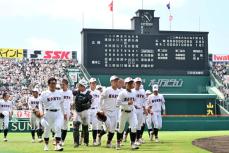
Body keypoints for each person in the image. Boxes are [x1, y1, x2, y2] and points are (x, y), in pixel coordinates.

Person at [38, 77, 67, 151]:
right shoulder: (44, 93)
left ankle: (57, 145)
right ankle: (46, 145)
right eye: (52, 83)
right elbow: (40, 103)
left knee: (58, 128)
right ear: (48, 84)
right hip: (48, 113)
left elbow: (62, 104)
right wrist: (41, 111)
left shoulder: (59, 93)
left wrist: (64, 113)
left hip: (58, 113)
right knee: (47, 130)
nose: (53, 85)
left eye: (54, 83)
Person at [116, 77, 139, 150]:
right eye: (129, 83)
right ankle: (118, 143)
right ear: (125, 84)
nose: (130, 84)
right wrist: (127, 103)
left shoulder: (134, 92)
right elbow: (117, 103)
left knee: (134, 126)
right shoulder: (122, 93)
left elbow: (134, 102)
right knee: (121, 129)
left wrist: (135, 106)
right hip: (123, 112)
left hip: (132, 112)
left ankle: (132, 143)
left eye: (131, 83)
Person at [98, 75, 120, 148]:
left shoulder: (119, 91)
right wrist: (101, 109)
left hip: (114, 112)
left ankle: (108, 142)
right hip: (106, 112)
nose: (116, 82)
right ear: (111, 82)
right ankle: (100, 135)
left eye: (117, 81)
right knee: (108, 127)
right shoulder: (107, 90)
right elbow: (100, 99)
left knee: (112, 129)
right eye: (114, 81)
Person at [73, 80, 92, 147]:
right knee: (76, 125)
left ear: (84, 86)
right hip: (77, 111)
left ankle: (86, 142)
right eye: (79, 85)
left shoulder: (89, 93)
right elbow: (73, 95)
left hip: (85, 111)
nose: (79, 87)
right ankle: (76, 142)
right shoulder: (76, 92)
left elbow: (90, 103)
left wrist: (86, 103)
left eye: (80, 85)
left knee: (85, 127)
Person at [133, 77, 147, 145]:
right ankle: (133, 140)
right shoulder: (132, 91)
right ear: (134, 83)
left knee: (139, 125)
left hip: (141, 110)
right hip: (134, 110)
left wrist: (145, 109)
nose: (138, 84)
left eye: (139, 82)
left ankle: (137, 139)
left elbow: (145, 101)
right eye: (137, 82)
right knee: (134, 124)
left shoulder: (143, 91)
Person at [88, 78, 102, 145]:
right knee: (85, 125)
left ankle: (94, 140)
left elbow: (99, 102)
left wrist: (99, 111)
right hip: (88, 109)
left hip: (95, 110)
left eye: (94, 83)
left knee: (94, 126)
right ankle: (84, 140)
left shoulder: (98, 92)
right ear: (90, 84)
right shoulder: (87, 91)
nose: (93, 84)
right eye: (92, 83)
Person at [60, 79, 73, 146]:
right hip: (60, 111)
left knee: (65, 126)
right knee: (58, 126)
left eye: (63, 84)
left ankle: (62, 141)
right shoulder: (59, 92)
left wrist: (71, 112)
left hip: (67, 111)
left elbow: (72, 103)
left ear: (67, 85)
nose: (62, 85)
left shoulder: (70, 92)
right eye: (61, 84)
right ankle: (57, 139)